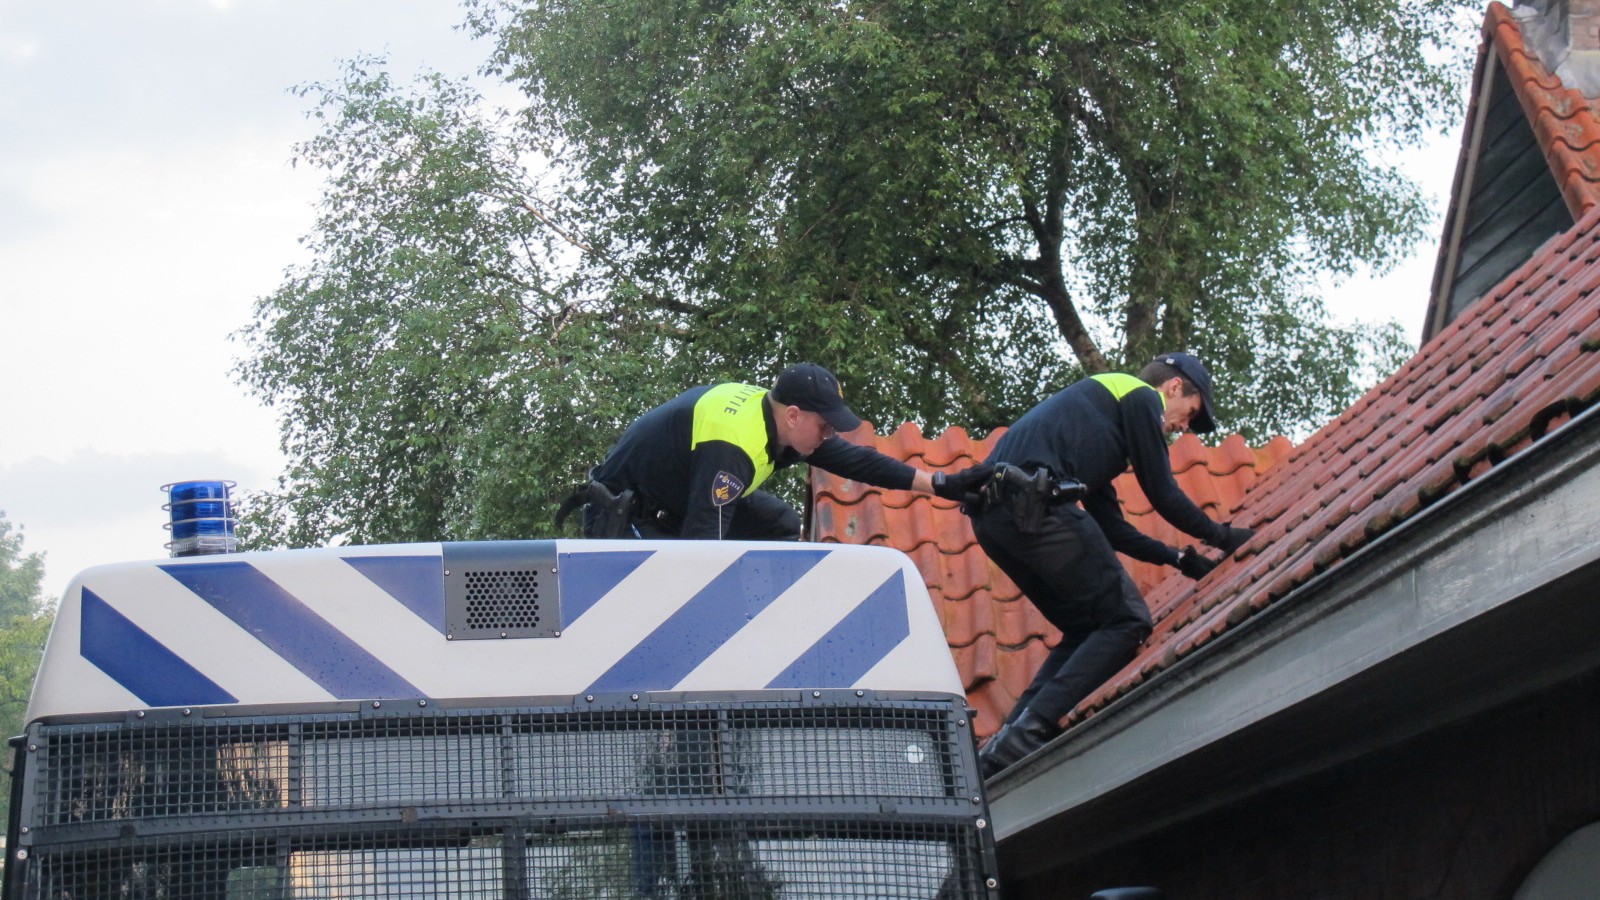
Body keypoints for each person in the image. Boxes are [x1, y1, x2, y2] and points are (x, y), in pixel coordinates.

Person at [971, 352, 1255, 778]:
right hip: (1032, 506)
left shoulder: (1099, 424)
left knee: (1088, 628)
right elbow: (1162, 492)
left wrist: (1178, 558)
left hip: (995, 519)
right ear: (1173, 387)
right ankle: (1030, 733)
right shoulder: (1141, 397)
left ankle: (1006, 740)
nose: (1182, 429)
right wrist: (1224, 537)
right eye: (1189, 415)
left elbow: (1114, 530)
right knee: (1127, 620)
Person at [562, 362, 992, 540]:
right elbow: (701, 546)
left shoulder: (775, 417)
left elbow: (856, 460)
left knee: (781, 524)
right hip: (621, 518)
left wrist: (941, 483)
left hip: (672, 504)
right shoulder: (732, 450)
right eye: (824, 425)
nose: (829, 435)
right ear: (794, 416)